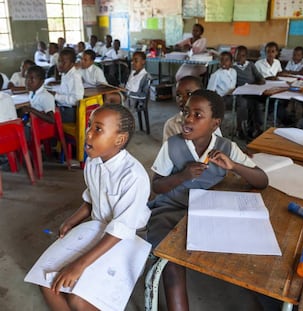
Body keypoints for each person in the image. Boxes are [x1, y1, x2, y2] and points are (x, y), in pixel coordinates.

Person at [147, 89, 268, 311]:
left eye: (197, 115)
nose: (188, 119)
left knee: (252, 246)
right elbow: (157, 187)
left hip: (208, 210)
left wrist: (234, 166)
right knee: (169, 259)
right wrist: (183, 176)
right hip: (170, 209)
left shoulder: (226, 147)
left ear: (215, 124)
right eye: (186, 113)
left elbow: (262, 180)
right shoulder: (172, 145)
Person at [39, 104, 151, 311]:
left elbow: (121, 229)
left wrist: (79, 265)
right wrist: (71, 221)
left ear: (120, 139)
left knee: (77, 299)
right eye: (89, 126)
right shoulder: (93, 163)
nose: (88, 133)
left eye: (98, 129)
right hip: (98, 229)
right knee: (48, 282)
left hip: (127, 238)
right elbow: (92, 199)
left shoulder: (133, 176)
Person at [165, 76, 222, 142]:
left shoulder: (209, 121)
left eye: (189, 94)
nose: (181, 99)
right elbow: (168, 150)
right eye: (178, 95)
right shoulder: (172, 125)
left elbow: (219, 144)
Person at [233, 45, 266, 139]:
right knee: (243, 104)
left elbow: (260, 78)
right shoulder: (232, 67)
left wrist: (258, 81)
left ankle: (256, 127)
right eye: (237, 55)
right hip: (240, 93)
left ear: (246, 56)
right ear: (234, 55)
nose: (239, 57)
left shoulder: (251, 65)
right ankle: (240, 128)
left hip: (253, 92)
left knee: (258, 104)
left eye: (242, 55)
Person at [54, 47, 84, 123]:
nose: (60, 64)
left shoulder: (75, 76)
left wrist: (56, 96)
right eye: (59, 61)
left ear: (72, 64)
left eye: (64, 62)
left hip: (70, 112)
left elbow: (76, 100)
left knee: (43, 117)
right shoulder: (65, 73)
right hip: (63, 108)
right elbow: (65, 90)